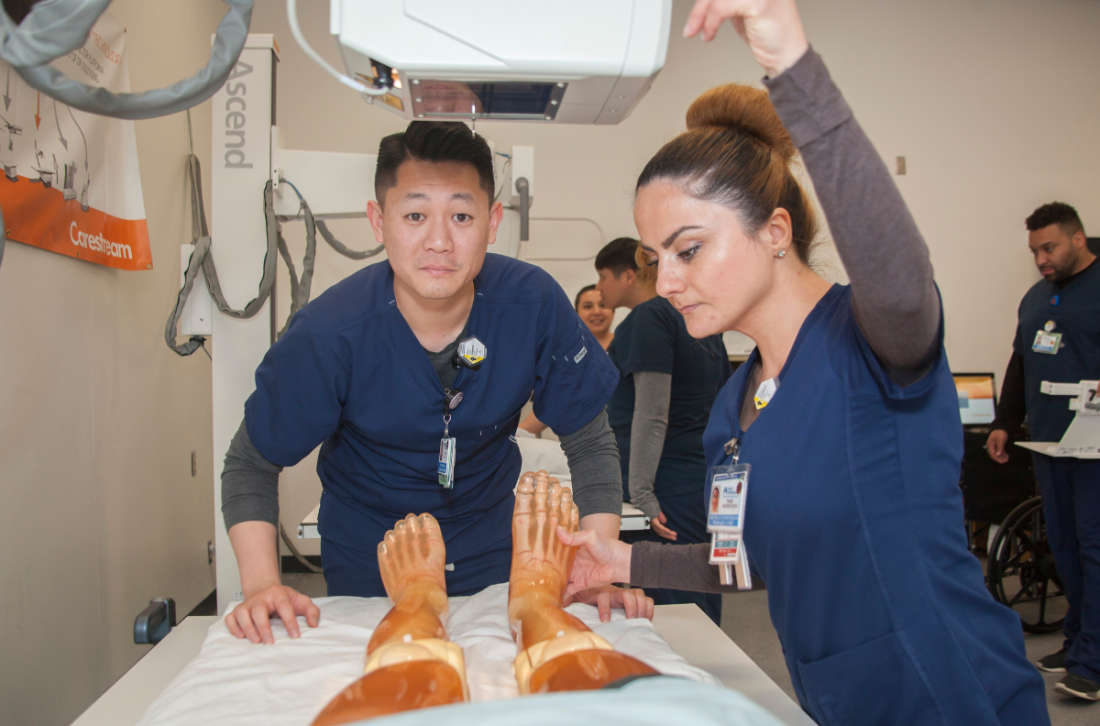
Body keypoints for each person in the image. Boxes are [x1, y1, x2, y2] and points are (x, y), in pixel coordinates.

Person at [559, 1, 1050, 723]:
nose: (666, 281)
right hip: (835, 701)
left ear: (775, 230)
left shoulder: (872, 341)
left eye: (689, 249)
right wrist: (624, 563)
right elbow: (748, 557)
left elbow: (900, 271)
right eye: (655, 257)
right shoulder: (737, 404)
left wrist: (792, 65)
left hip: (952, 694)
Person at [220, 121, 649, 645]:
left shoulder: (531, 304)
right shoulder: (331, 332)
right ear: (379, 221)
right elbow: (250, 462)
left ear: (492, 222)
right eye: (416, 214)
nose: (440, 241)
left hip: (490, 552)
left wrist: (596, 570)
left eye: (462, 215)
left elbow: (589, 441)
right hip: (369, 561)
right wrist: (262, 584)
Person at [986, 202, 1100, 702]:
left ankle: (1092, 664)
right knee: (1067, 549)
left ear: (1079, 239)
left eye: (1049, 247)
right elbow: (1021, 362)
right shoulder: (1036, 298)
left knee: (1095, 550)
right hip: (1050, 445)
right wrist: (1005, 423)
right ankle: (1079, 640)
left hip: (1096, 450)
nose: (1041, 259)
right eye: (1034, 250)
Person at [596, 236, 730, 625]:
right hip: (693, 477)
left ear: (631, 273)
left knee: (673, 609)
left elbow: (652, 412)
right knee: (697, 596)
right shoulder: (696, 316)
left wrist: (641, 493)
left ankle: (682, 684)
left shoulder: (650, 318)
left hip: (662, 484)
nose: (601, 286)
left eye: (603, 276)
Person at [518, 284, 613, 435]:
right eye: (588, 306)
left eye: (603, 305)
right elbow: (554, 403)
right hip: (577, 444)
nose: (597, 312)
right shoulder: (564, 354)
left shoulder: (623, 345)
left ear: (612, 309)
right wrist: (519, 433)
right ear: (576, 313)